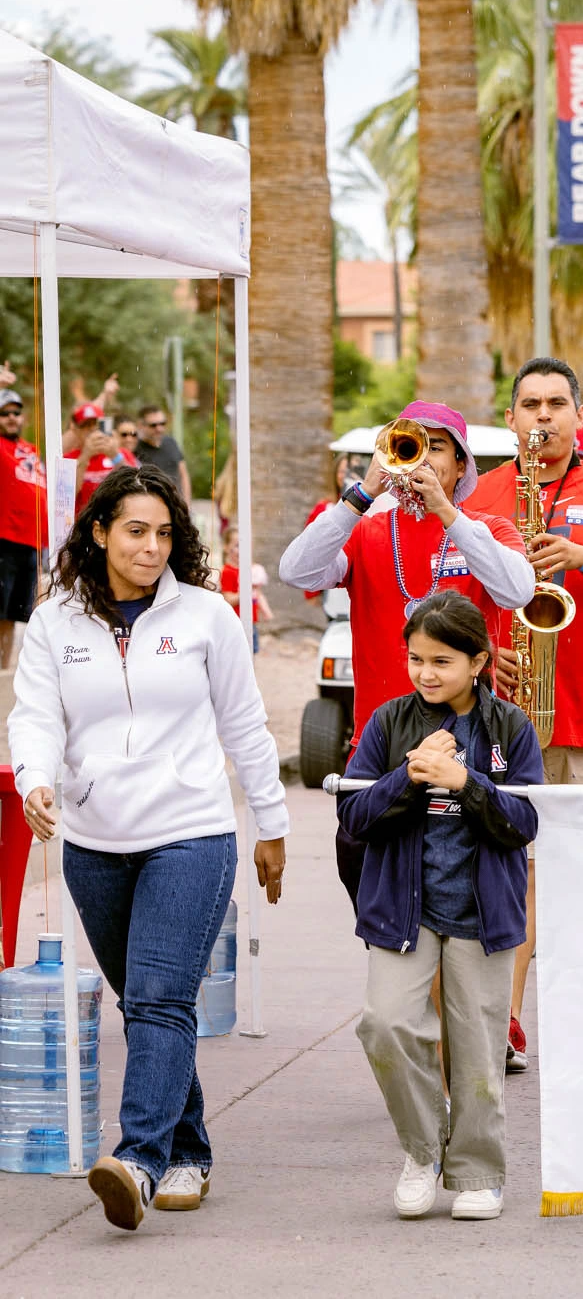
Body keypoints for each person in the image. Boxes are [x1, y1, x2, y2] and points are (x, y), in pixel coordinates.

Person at [8, 466, 287, 1231]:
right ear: (98, 532)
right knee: (144, 1002)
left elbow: (245, 724)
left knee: (163, 996)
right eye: (135, 530)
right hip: (94, 843)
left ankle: (135, 1161)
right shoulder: (55, 620)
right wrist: (37, 778)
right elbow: (34, 716)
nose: (151, 546)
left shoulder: (206, 617)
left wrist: (272, 825)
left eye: (165, 533)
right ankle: (189, 1152)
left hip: (190, 832)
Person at [466, 357, 583, 1072]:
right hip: (508, 719)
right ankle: (506, 1023)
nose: (542, 417)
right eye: (530, 405)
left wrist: (580, 558)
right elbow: (457, 603)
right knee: (515, 878)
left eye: (555, 404)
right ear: (510, 418)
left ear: (581, 415)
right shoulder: (482, 494)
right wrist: (485, 649)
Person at [277, 402, 535, 902]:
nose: (422, 457)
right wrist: (363, 492)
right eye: (410, 443)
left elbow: (517, 590)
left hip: (471, 757)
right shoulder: (368, 530)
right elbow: (296, 571)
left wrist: (446, 511)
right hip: (379, 752)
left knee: (463, 920)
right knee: (382, 918)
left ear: (462, 465)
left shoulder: (489, 530)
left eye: (437, 447)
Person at [339, 591, 540, 1223]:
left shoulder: (511, 727)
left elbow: (527, 821)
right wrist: (410, 776)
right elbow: (353, 815)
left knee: (479, 1045)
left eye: (443, 660)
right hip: (404, 913)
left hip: (483, 915)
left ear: (480, 661)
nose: (426, 673)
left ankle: (479, 1172)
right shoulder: (388, 722)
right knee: (385, 1022)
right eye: (416, 658)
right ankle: (422, 1151)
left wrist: (466, 783)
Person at [0, 387, 46, 670]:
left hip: (32, 542)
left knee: (20, 614)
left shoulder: (30, 449)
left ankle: (6, 671)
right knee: (1, 613)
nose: (12, 418)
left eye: (16, 412)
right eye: (5, 413)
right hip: (5, 539)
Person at [216, 519, 273, 649]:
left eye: (244, 546)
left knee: (251, 656)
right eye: (237, 546)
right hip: (235, 624)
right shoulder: (228, 572)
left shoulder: (249, 570)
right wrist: (246, 592)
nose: (241, 550)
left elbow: (258, 593)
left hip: (251, 623)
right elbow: (229, 599)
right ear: (226, 547)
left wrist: (266, 611)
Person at [132, 402, 191, 503]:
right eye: (153, 425)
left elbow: (184, 474)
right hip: (152, 506)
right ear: (141, 426)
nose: (159, 428)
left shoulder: (171, 442)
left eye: (162, 423)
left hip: (176, 504)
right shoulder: (135, 449)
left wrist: (187, 503)